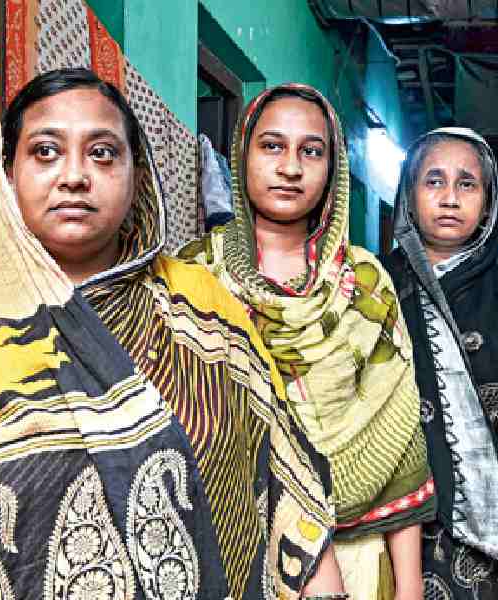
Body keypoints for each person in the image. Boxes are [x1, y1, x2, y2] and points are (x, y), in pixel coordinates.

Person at [0, 68, 345, 600]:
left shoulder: (203, 314)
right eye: (45, 151)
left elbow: (289, 488)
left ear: (138, 176)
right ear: (7, 171)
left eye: (103, 153)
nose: (74, 175)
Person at [179, 83, 436, 599]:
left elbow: (401, 451)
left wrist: (409, 590)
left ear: (333, 170)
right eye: (272, 146)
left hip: (356, 559)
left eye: (311, 151)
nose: (291, 167)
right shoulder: (191, 277)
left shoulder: (365, 285)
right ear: (242, 154)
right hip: (227, 555)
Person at [381, 127, 498, 600]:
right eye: (433, 181)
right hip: (388, 532)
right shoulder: (373, 287)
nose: (449, 197)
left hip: (496, 541)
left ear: (488, 202)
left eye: (467, 184)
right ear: (408, 194)